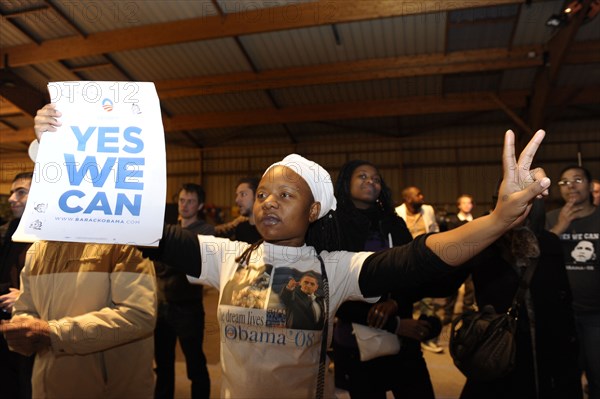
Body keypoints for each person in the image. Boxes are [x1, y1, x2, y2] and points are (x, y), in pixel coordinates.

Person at [34, 103, 551, 398]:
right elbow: (142, 227)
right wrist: (55, 149)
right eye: (263, 194)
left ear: (314, 212)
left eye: (286, 195)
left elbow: (423, 257)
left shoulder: (334, 270)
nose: (268, 203)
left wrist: (499, 218)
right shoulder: (227, 256)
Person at [332, 160, 457, 398]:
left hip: (404, 339)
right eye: (363, 176)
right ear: (346, 183)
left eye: (376, 179)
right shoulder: (333, 228)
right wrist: (395, 324)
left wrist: (396, 304)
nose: (371, 181)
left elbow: (413, 271)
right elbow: (335, 292)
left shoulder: (393, 222)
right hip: (357, 343)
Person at [0, 242, 157, 398]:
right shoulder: (38, 248)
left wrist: (54, 333)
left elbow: (138, 316)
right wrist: (22, 329)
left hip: (107, 389)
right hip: (47, 386)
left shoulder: (124, 243)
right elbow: (25, 307)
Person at [461, 199, 582, 399]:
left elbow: (563, 295)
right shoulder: (484, 240)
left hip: (548, 345)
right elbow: (444, 280)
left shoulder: (549, 241)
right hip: (500, 345)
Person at [154, 183, 214, 399]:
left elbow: (185, 264)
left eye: (190, 201)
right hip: (162, 307)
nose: (185, 205)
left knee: (195, 363)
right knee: (163, 364)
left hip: (188, 308)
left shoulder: (205, 232)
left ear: (199, 206)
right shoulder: (170, 232)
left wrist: (169, 259)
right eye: (181, 200)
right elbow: (159, 267)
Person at [546, 165, 600, 399]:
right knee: (565, 381)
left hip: (596, 315)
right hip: (561, 315)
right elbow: (535, 257)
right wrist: (559, 229)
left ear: (590, 186)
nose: (571, 186)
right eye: (564, 182)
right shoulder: (550, 219)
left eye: (577, 180)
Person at [395, 186, 444, 353]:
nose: (422, 196)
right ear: (408, 199)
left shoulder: (428, 210)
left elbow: (435, 230)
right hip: (405, 265)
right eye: (418, 195)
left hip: (425, 263)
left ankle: (427, 337)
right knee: (403, 301)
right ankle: (404, 337)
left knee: (428, 302)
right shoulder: (397, 213)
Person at [0, 172, 34, 399]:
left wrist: (25, 299)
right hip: (6, 325)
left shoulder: (53, 236)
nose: (12, 198)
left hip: (33, 329)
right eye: (12, 192)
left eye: (21, 192)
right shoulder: (11, 230)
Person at [442, 194, 477, 325]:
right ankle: (447, 316)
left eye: (469, 203)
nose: (467, 205)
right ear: (459, 205)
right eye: (464, 203)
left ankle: (467, 315)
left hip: (471, 258)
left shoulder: (476, 221)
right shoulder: (451, 221)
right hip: (455, 258)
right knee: (451, 288)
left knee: (470, 289)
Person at [216, 177, 262, 244]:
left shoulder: (269, 231)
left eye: (243, 194)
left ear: (257, 196)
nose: (237, 200)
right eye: (237, 195)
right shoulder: (240, 229)